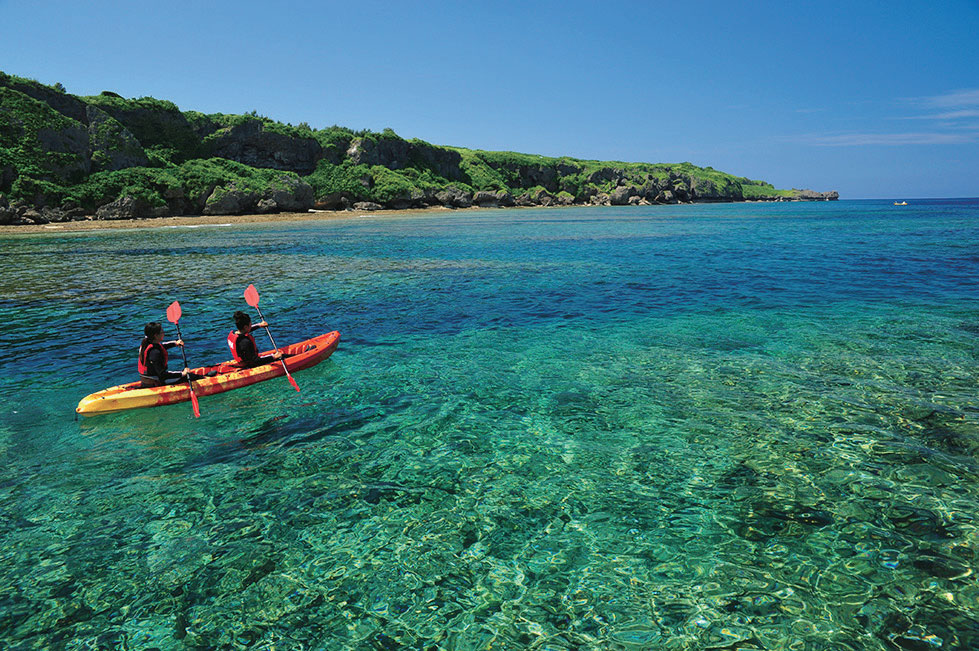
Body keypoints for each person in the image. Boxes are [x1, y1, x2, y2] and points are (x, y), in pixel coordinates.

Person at [138, 321, 191, 387]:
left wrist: (175, 343)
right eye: (162, 332)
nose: (164, 333)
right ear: (156, 335)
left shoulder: (145, 344)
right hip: (157, 380)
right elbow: (162, 374)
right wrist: (182, 374)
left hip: (147, 378)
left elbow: (161, 346)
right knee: (191, 377)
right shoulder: (155, 353)